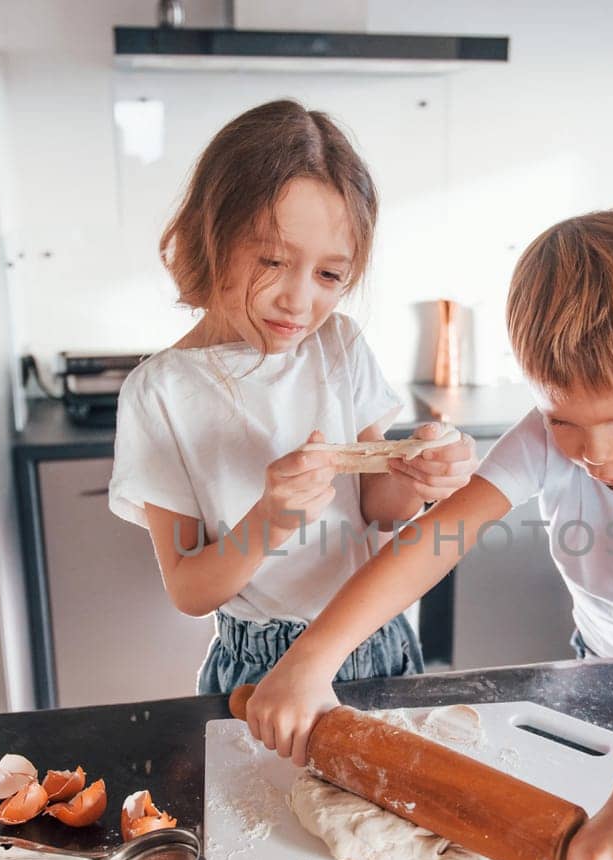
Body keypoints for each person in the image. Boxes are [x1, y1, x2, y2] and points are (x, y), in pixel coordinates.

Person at [244, 203, 613, 860]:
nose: (592, 450)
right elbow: (436, 537)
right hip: (600, 659)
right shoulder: (540, 439)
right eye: (563, 419)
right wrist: (312, 659)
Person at [108, 99, 477, 694]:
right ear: (213, 235)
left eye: (330, 276)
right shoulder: (162, 393)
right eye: (273, 261)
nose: (299, 302)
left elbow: (375, 507)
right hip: (263, 666)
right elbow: (190, 590)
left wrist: (415, 476)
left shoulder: (338, 346)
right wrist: (270, 520)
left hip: (376, 638)